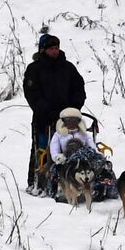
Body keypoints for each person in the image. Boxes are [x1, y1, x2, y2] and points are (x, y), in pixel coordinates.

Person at [22, 32, 86, 195]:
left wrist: (73, 108)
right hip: (44, 118)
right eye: (51, 48)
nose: (55, 51)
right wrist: (45, 110)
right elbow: (32, 94)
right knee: (41, 148)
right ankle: (37, 181)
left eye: (56, 47)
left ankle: (68, 179)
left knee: (70, 146)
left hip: (68, 119)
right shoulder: (34, 69)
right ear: (43, 50)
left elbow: (79, 88)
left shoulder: (68, 68)